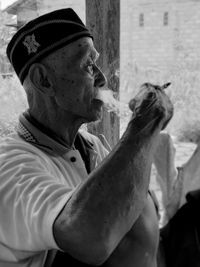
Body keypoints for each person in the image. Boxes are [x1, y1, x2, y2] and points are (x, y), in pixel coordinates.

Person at [0, 8, 173, 267]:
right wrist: (144, 125)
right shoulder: (11, 167)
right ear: (44, 80)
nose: (102, 78)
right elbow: (87, 236)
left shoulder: (91, 145)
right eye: (88, 65)